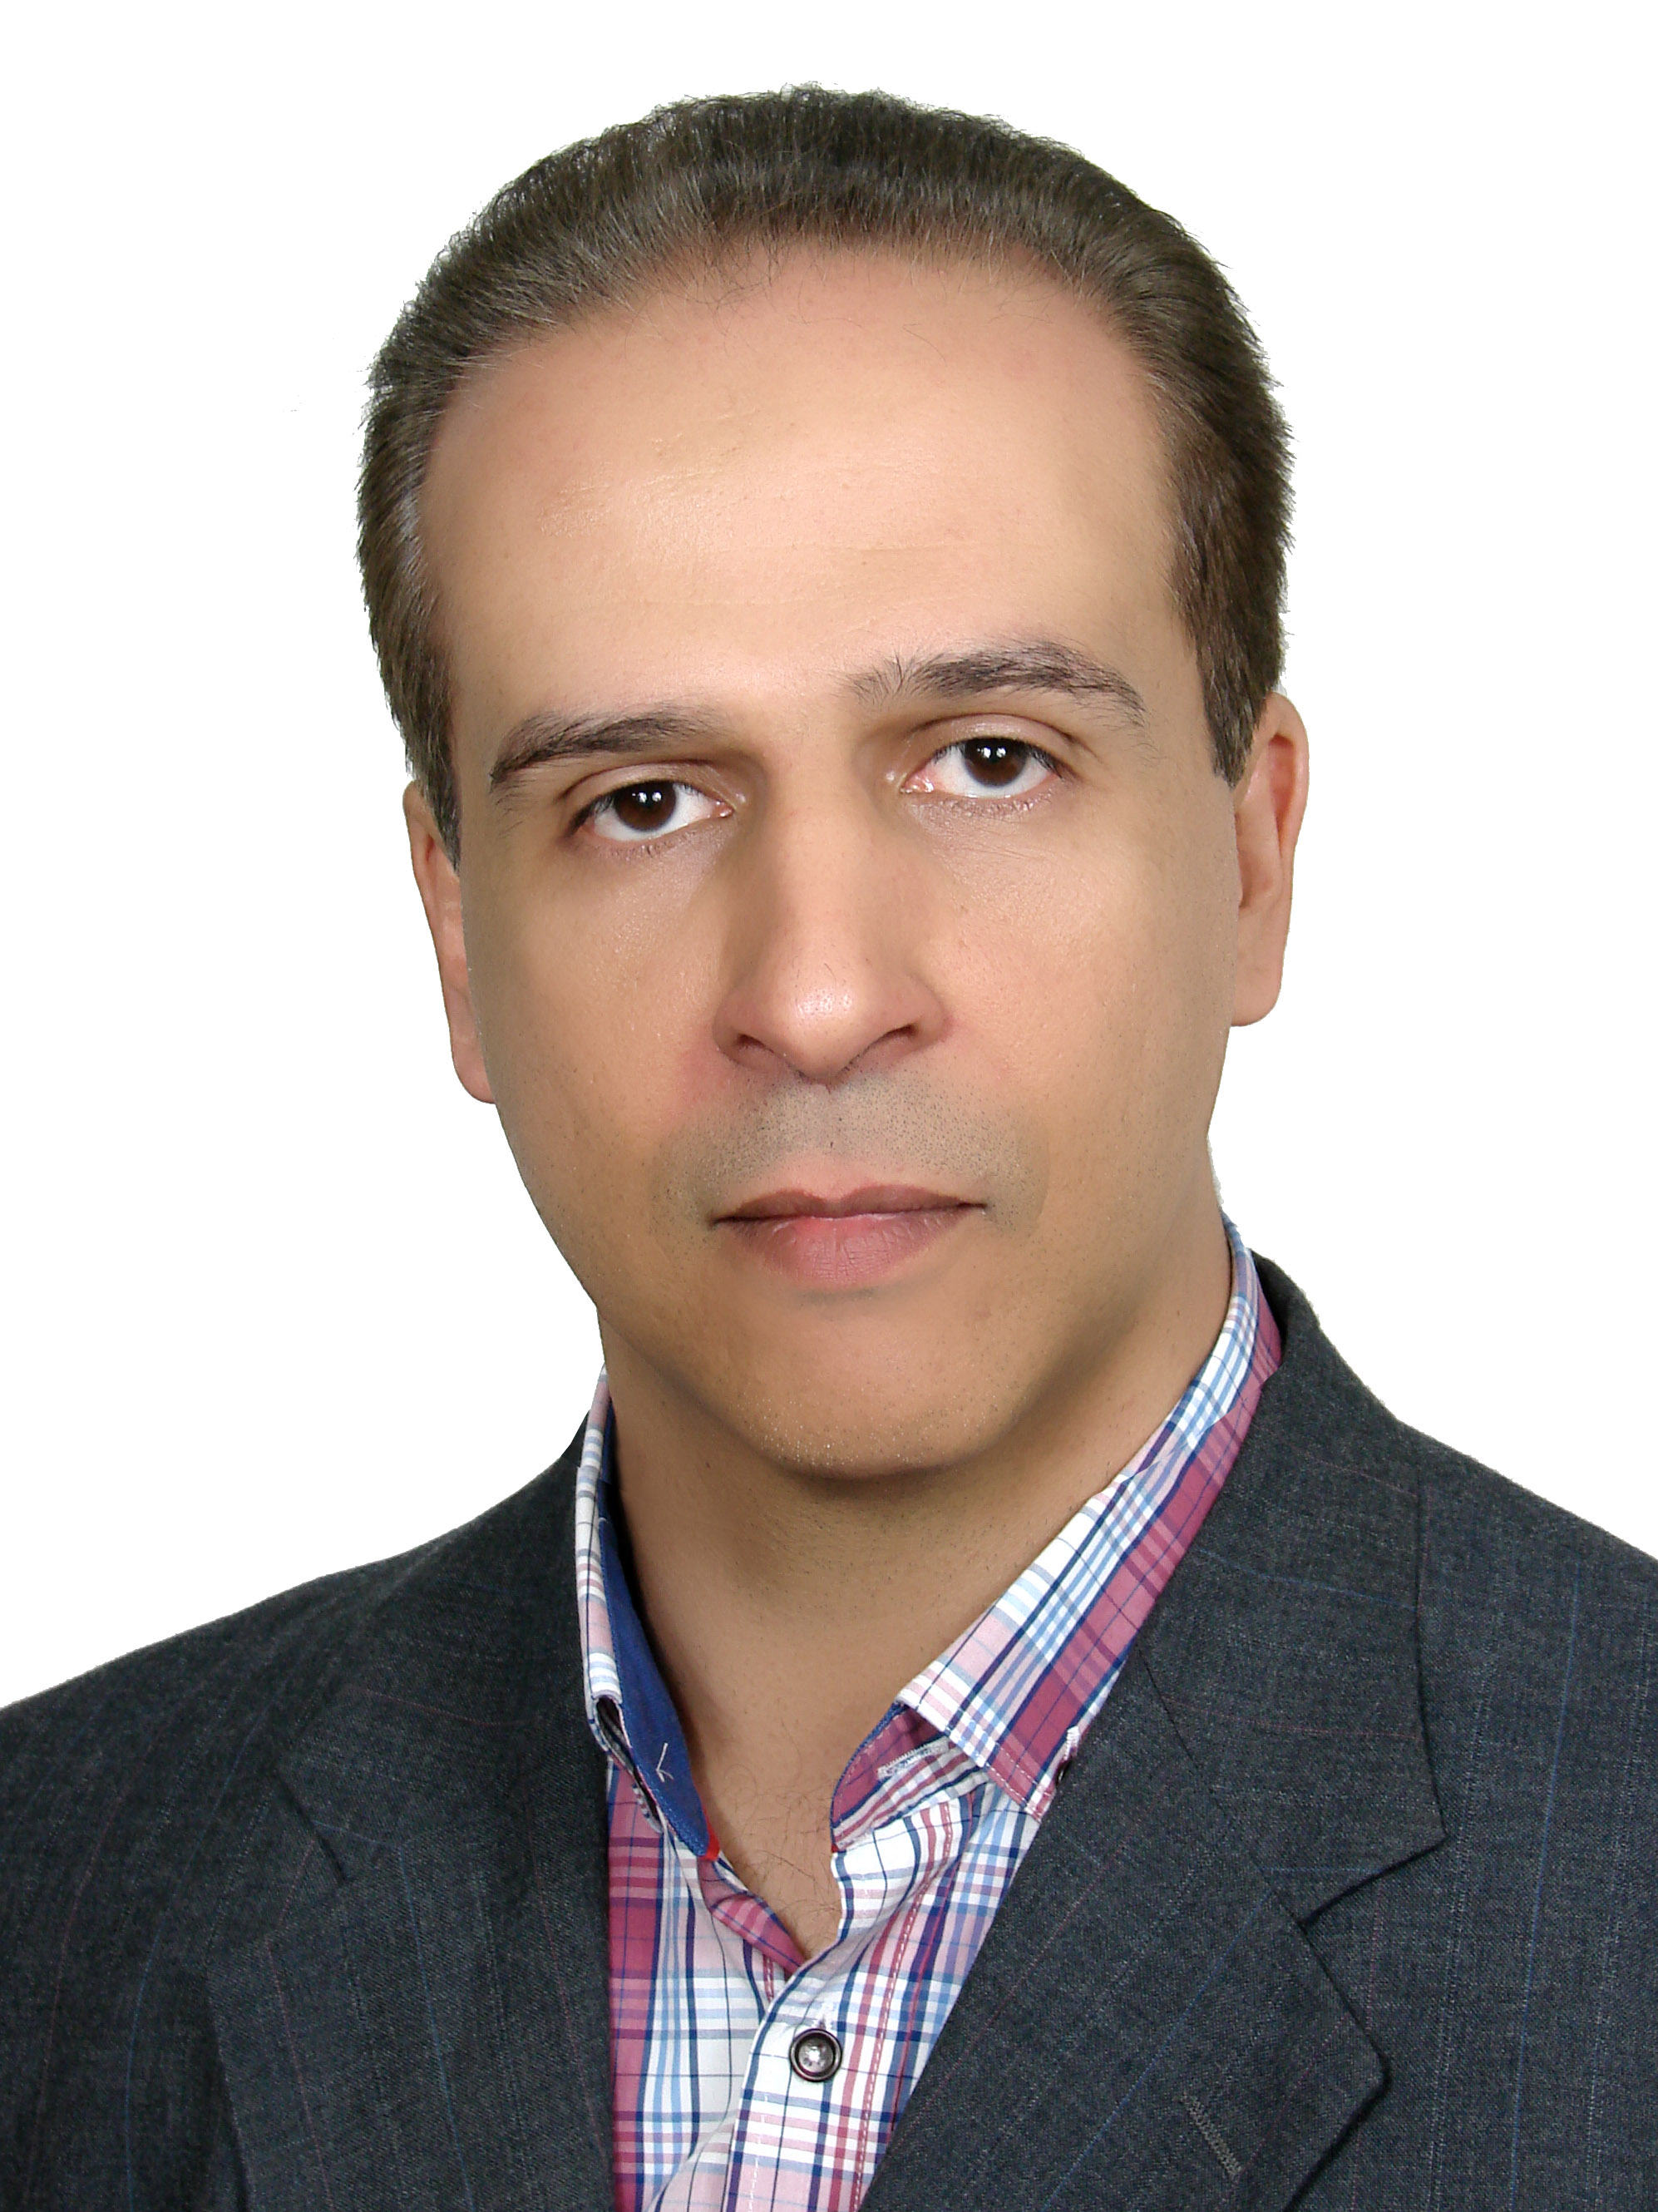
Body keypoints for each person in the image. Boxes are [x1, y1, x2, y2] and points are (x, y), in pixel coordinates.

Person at [2, 85, 1652, 2212]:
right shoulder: (56, 1886)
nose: (812, 990)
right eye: (641, 801)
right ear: (457, 936)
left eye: (987, 760)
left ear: (1251, 856)